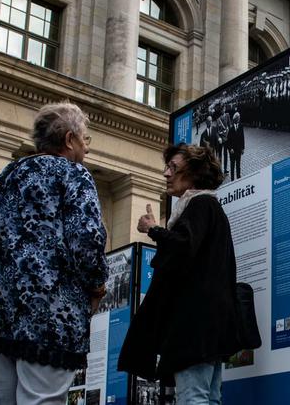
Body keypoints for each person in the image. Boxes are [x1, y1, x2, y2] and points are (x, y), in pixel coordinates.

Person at [0, 102, 109, 405]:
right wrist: (97, 285)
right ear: (69, 139)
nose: (87, 148)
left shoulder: (10, 172)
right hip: (49, 310)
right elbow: (86, 240)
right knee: (41, 399)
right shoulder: (74, 175)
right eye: (85, 139)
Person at [118, 143, 243, 405]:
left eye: (173, 168)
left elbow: (183, 247)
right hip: (207, 326)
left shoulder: (200, 204)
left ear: (195, 173)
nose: (166, 173)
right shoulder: (209, 207)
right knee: (209, 397)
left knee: (192, 397)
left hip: (194, 326)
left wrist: (153, 230)